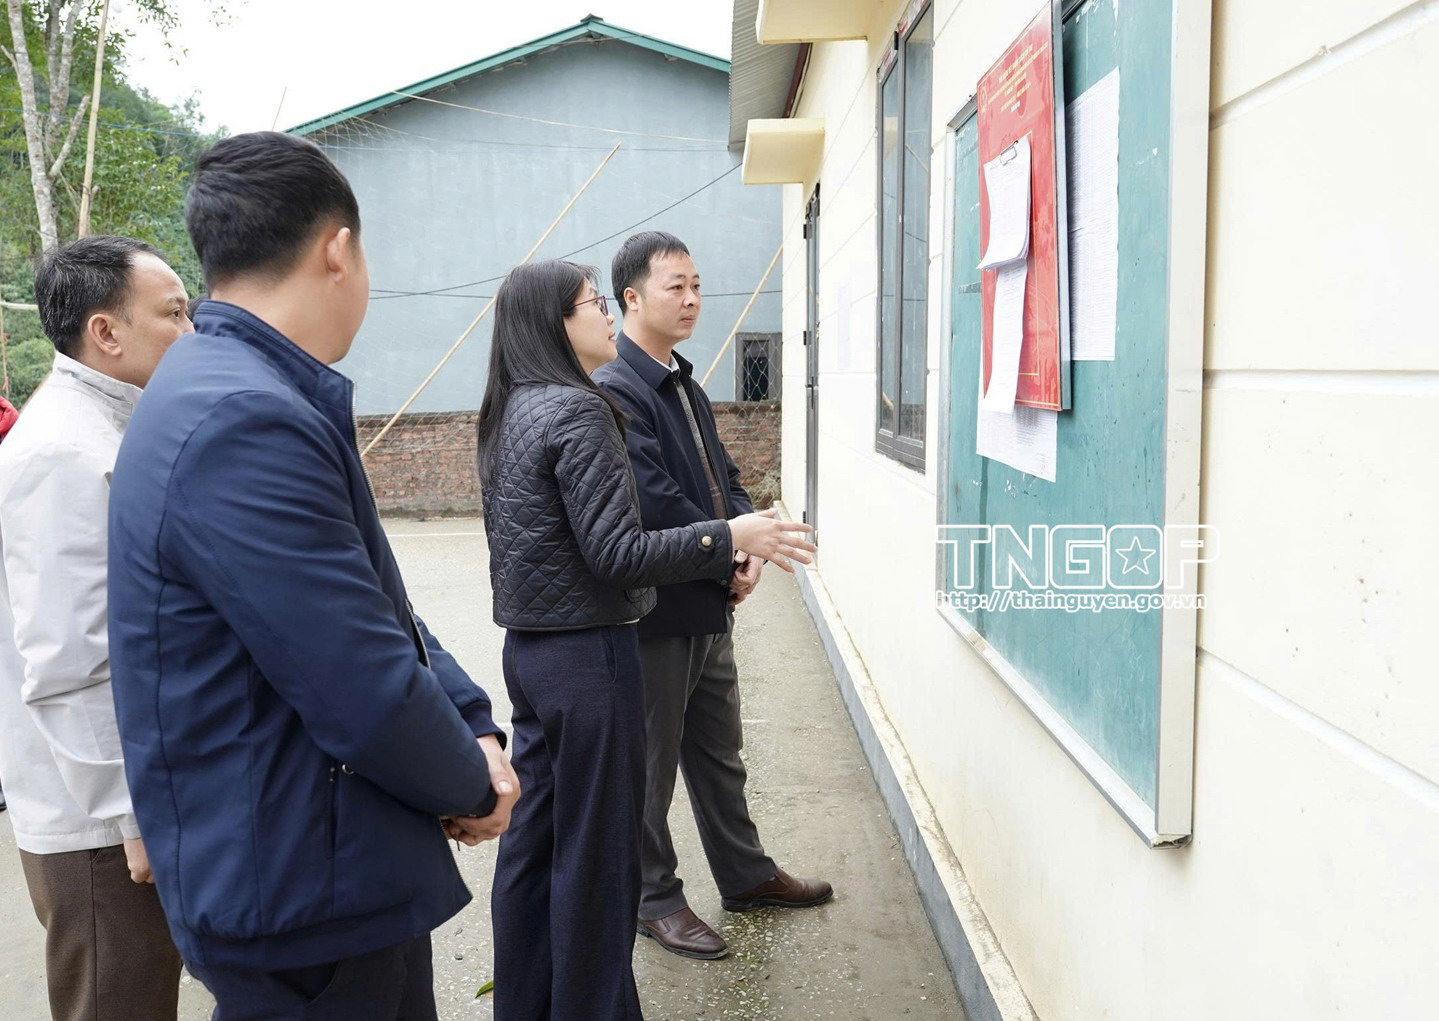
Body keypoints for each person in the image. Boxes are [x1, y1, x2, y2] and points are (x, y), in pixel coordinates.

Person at [106, 131, 519, 1020]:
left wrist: (469, 719)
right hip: (300, 885)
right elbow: (356, 683)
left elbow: (367, 599)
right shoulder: (241, 416)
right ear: (338, 249)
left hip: (307, 857)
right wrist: (470, 780)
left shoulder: (236, 387)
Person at [478, 259, 816, 1020]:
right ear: (557, 323)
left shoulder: (512, 406)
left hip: (532, 652)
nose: (605, 315)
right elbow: (619, 553)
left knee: (536, 848)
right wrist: (728, 536)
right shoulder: (580, 408)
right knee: (599, 864)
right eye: (593, 303)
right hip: (588, 654)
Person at [593, 232, 833, 961]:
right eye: (676, 286)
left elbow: (723, 478)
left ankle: (746, 873)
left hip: (707, 602)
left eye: (696, 284)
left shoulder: (684, 383)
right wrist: (732, 548)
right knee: (651, 765)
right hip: (656, 611)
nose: (693, 298)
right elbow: (652, 499)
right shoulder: (616, 387)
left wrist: (746, 548)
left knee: (719, 752)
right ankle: (653, 898)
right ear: (631, 298)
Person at [0, 235, 191, 1021]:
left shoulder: (106, 425)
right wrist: (129, 815)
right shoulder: (63, 451)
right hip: (97, 823)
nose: (190, 331)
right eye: (173, 313)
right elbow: (70, 658)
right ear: (106, 331)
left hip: (121, 801)